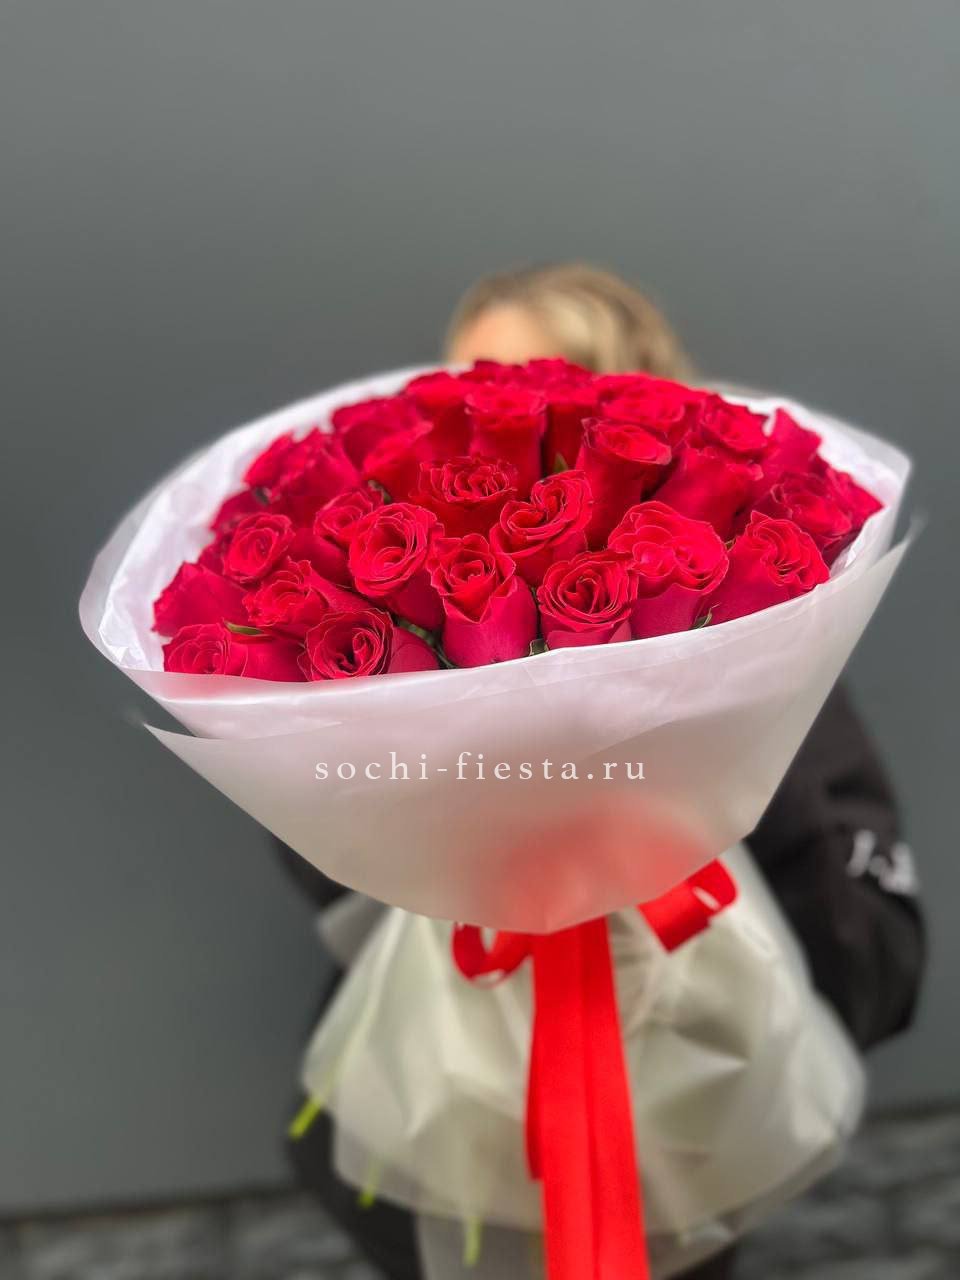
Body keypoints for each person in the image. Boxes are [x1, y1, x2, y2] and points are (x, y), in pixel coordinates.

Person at [279, 263, 925, 1280]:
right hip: (432, 1142)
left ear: (625, 397)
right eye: (461, 391)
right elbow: (323, 872)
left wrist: (712, 765)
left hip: (679, 1154)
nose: (484, 421)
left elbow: (873, 952)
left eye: (530, 386)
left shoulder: (770, 672)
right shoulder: (402, 634)